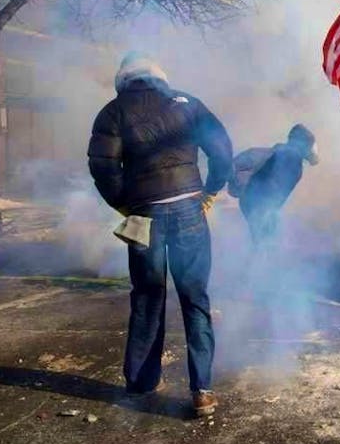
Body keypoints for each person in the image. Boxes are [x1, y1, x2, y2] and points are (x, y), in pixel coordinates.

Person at [87, 52, 232, 417]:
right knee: (195, 297)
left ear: (123, 78)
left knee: (147, 296)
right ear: (158, 75)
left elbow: (103, 168)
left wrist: (124, 205)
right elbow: (222, 150)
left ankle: (141, 383)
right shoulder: (187, 103)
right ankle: (202, 391)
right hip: (189, 209)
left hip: (143, 214)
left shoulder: (112, 112)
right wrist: (210, 191)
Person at [232, 124, 318, 245]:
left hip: (257, 203)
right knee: (265, 242)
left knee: (263, 241)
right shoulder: (288, 156)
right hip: (260, 204)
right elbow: (275, 186)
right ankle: (257, 256)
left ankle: (256, 254)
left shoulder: (284, 154)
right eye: (308, 144)